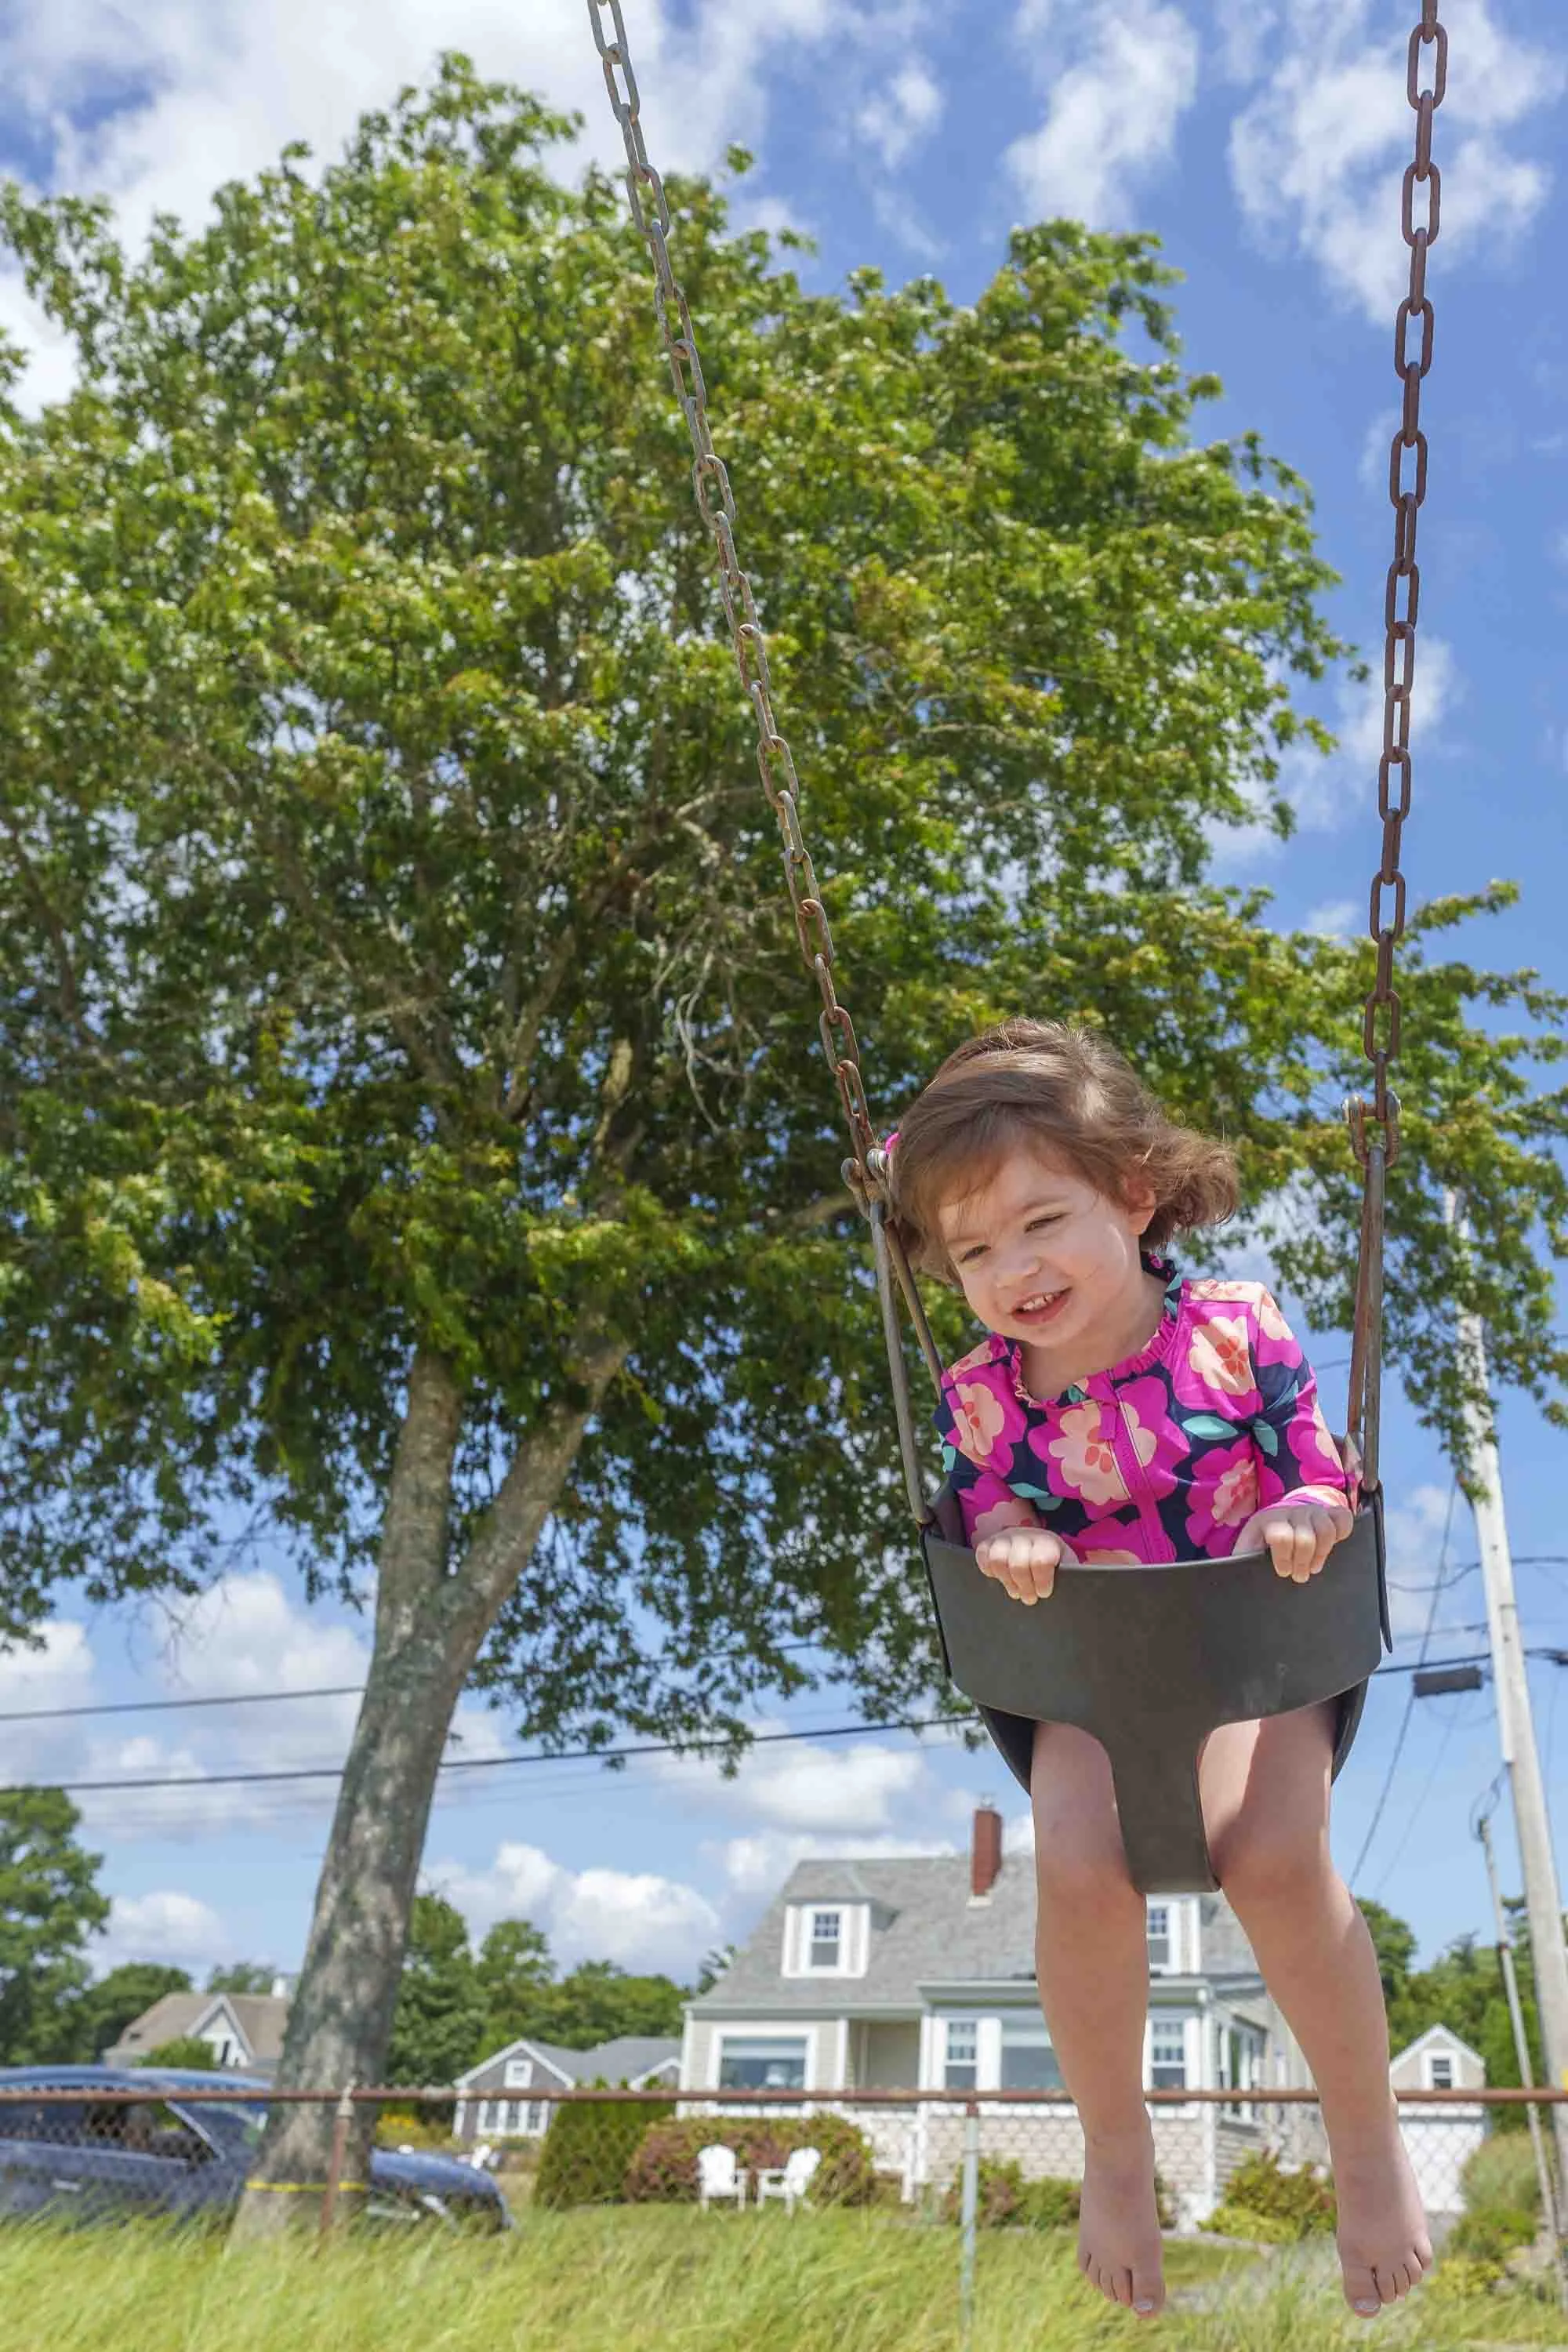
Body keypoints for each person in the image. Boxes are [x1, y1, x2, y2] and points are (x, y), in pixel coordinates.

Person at [887, 1018, 1430, 2324]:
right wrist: (1008, 1533)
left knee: (1272, 1855)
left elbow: (1313, 1459)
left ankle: (1367, 2146)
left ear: (1134, 1194)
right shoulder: (980, 1399)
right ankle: (1117, 2153)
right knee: (1075, 1866)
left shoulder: (1238, 1330)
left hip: (1261, 1644)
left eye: (1041, 1222)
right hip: (1095, 1664)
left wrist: (1304, 1506)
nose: (1012, 1269)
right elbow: (986, 1514)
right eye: (974, 1250)